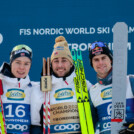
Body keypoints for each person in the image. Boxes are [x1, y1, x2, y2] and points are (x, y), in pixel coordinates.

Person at [31, 36, 92, 134]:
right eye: (56, 61)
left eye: (64, 60)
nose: (60, 65)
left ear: (71, 63)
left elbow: (94, 117)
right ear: (51, 64)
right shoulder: (41, 89)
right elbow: (35, 124)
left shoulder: (84, 85)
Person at [88, 41, 134, 134]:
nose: (100, 63)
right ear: (92, 64)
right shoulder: (93, 91)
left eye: (103, 58)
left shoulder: (130, 81)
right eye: (96, 60)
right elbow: (89, 128)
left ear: (111, 59)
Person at [0, 44, 39, 134]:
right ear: (11, 62)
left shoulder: (35, 88)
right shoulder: (0, 83)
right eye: (18, 62)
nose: (22, 67)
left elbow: (37, 124)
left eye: (26, 64)